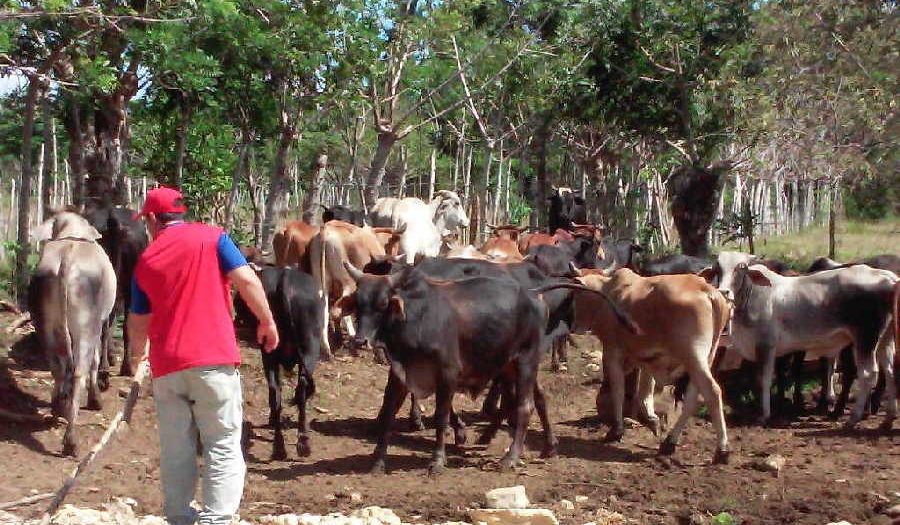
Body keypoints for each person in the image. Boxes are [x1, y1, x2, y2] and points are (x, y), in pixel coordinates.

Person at [127, 186, 279, 525]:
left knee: (176, 448)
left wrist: (137, 357)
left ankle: (179, 517)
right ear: (180, 213)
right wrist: (267, 320)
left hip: (167, 368)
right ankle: (217, 519)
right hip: (213, 360)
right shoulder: (214, 238)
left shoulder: (146, 262)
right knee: (222, 441)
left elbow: (138, 321)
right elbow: (247, 281)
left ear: (152, 218)